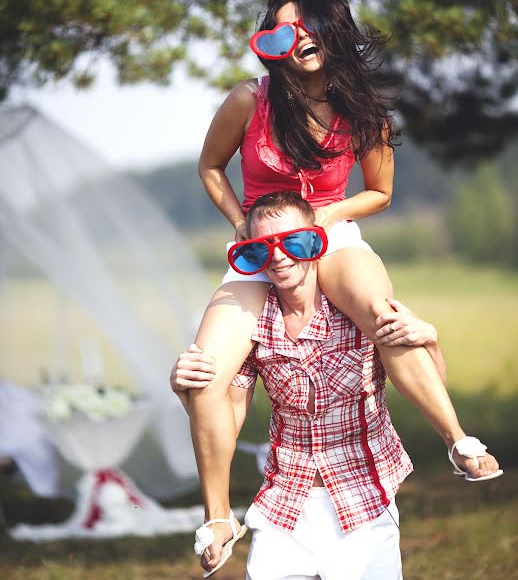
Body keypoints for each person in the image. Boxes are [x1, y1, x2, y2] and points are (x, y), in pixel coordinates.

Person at [183, 0, 487, 575]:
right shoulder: (250, 100)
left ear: (332, 33)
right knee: (206, 372)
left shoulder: (364, 110)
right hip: (262, 244)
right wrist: (242, 225)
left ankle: (457, 438)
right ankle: (219, 517)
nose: (299, 41)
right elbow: (210, 166)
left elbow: (380, 191)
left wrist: (327, 216)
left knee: (384, 316)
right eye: (283, 31)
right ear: (270, 43)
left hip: (330, 230)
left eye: (309, 29)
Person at [173, 191, 503, 579]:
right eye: (263, 249)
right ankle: (219, 519)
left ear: (315, 242)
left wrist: (430, 341)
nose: (279, 257)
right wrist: (188, 392)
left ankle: (458, 443)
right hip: (284, 506)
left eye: (293, 242)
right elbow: (228, 416)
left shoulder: (360, 310)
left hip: (363, 502)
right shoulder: (253, 326)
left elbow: (429, 384)